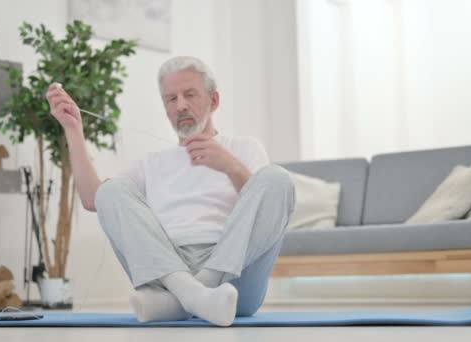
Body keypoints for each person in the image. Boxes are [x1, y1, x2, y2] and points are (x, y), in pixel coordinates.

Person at [45, 56, 295, 326]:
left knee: (278, 179)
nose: (181, 105)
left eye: (189, 95)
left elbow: (266, 209)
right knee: (111, 191)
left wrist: (231, 166)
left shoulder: (244, 148)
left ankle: (187, 297)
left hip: (236, 280)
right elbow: (94, 199)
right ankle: (192, 294)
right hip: (168, 270)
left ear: (214, 101)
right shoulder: (150, 163)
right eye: (171, 99)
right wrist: (73, 129)